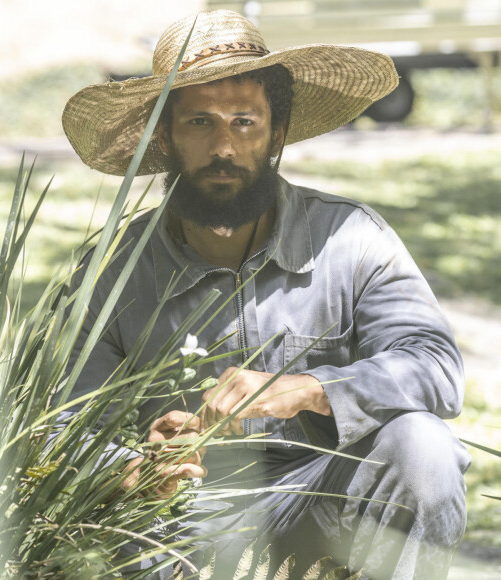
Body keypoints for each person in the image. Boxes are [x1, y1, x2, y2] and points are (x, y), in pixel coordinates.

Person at [61, 10, 471, 580]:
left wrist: (307, 390)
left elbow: (434, 367)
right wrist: (125, 465)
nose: (224, 146)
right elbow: (62, 422)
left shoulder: (350, 237)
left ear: (277, 133)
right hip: (178, 515)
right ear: (163, 137)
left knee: (422, 445)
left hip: (324, 495)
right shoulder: (114, 270)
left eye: (245, 121)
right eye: (200, 122)